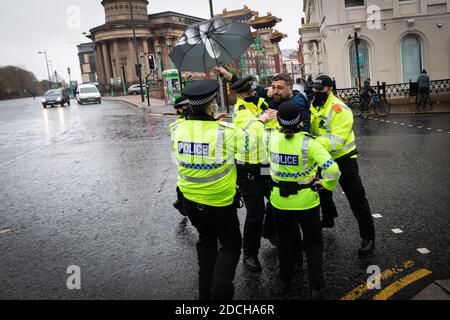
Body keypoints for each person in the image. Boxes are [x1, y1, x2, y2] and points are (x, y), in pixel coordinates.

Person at [169, 79, 274, 300]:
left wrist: (210, 123)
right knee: (231, 245)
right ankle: (221, 294)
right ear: (211, 104)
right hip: (219, 204)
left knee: (206, 241)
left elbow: (198, 139)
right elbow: (251, 143)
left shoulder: (177, 128)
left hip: (191, 202)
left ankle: (205, 294)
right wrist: (259, 120)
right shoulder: (224, 132)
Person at [266, 101, 341, 299]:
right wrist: (325, 184)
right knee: (313, 243)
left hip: (279, 202)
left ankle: (285, 282)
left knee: (285, 242)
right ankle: (317, 286)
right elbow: (333, 170)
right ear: (300, 121)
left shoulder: (271, 138)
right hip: (307, 201)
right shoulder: (310, 143)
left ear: (279, 121)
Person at [310, 75, 376, 256]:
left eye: (320, 90)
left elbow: (336, 142)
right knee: (320, 190)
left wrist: (312, 142)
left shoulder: (340, 109)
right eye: (314, 89)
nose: (316, 92)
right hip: (323, 158)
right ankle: (329, 218)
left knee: (356, 199)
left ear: (329, 89)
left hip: (344, 159)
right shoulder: (314, 105)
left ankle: (368, 237)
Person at [229, 76, 278, 273]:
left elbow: (273, 125)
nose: (252, 94)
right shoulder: (240, 111)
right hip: (248, 168)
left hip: (266, 164)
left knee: (277, 202)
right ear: (240, 94)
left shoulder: (261, 103)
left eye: (252, 91)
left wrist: (272, 116)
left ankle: (270, 231)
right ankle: (249, 254)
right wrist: (262, 119)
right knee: (255, 212)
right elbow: (252, 133)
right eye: (248, 92)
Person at [172, 96, 193, 217]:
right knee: (185, 178)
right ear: (179, 109)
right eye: (185, 106)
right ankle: (181, 202)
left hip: (186, 154)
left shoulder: (186, 119)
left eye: (188, 105)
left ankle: (180, 202)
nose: (188, 108)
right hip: (184, 154)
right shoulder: (179, 123)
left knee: (185, 178)